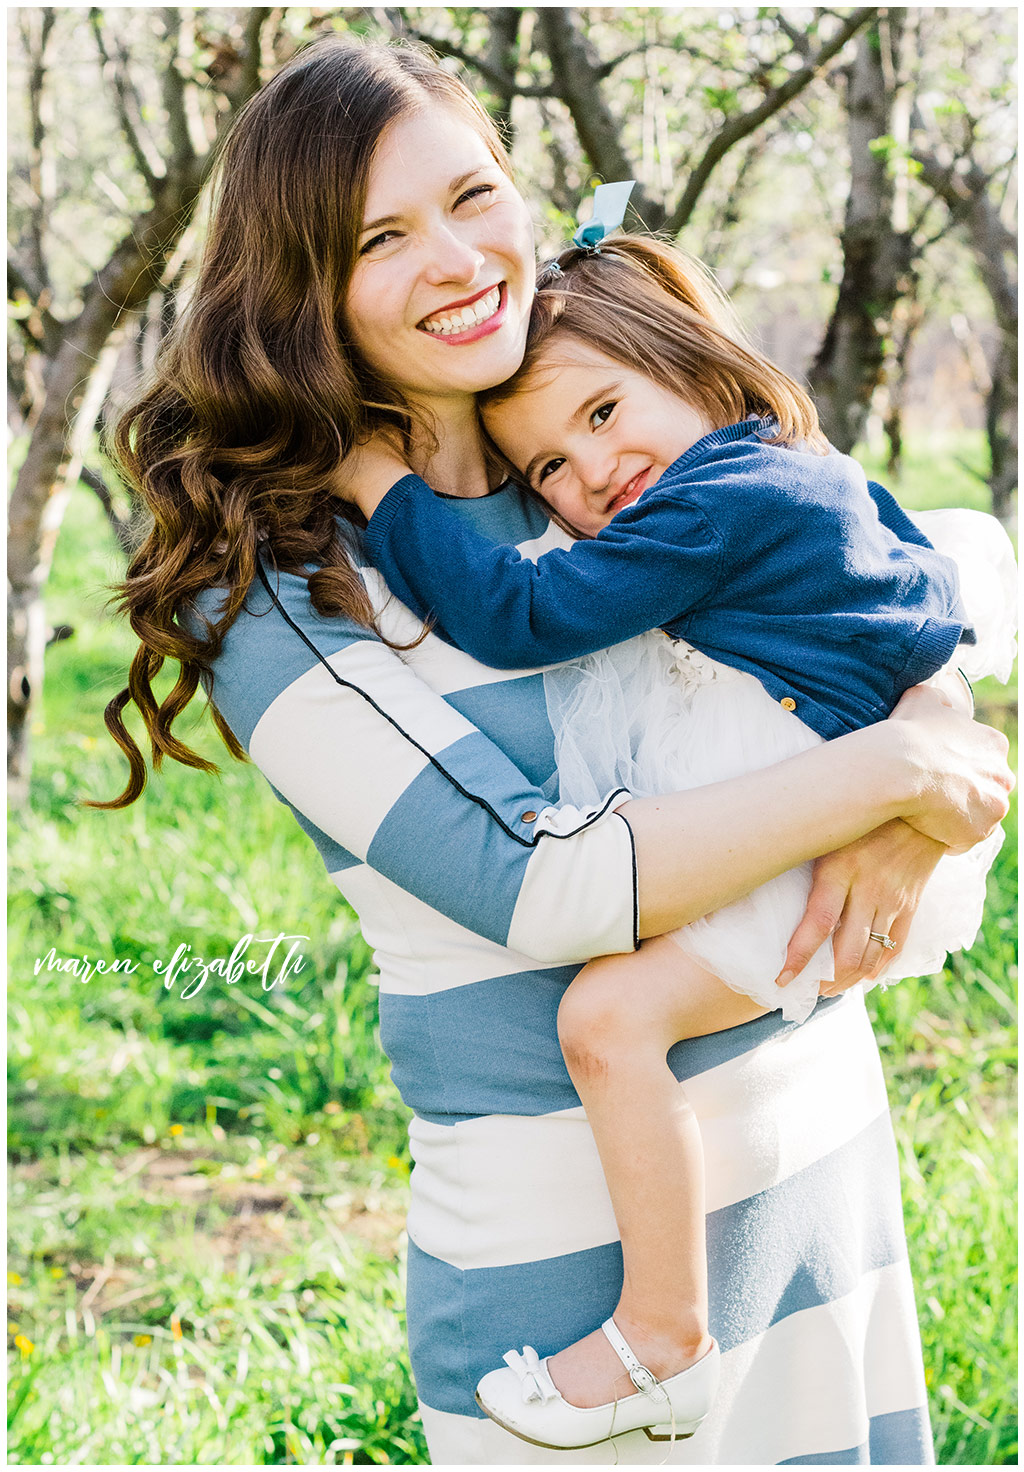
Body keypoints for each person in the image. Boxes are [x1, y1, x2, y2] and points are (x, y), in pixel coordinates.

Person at [93, 37, 1012, 1466]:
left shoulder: (605, 458)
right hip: (574, 1286)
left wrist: (937, 746)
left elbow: (882, 607)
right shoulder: (284, 585)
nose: (458, 259)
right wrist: (897, 778)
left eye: (473, 196)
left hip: (827, 1203)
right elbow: (542, 888)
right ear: (303, 291)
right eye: (381, 237)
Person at [340, 225, 1016, 1448]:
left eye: (603, 412)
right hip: (827, 821)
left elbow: (515, 610)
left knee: (605, 1019)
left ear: (700, 366)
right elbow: (931, 587)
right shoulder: (778, 472)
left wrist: (377, 487)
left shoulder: (719, 503)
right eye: (545, 464)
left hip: (806, 862)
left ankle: (662, 1334)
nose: (586, 472)